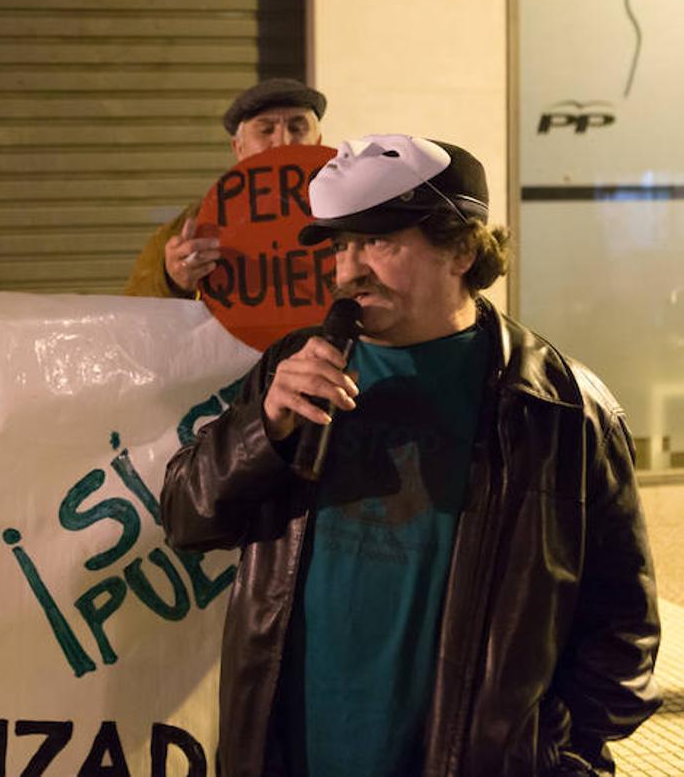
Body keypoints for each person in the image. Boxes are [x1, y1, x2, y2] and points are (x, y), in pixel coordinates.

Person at [161, 135, 659, 776]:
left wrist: (545, 752)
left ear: (461, 248)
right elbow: (186, 517)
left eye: (380, 242)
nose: (349, 271)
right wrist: (265, 429)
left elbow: (624, 631)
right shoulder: (294, 367)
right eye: (342, 245)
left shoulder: (560, 410)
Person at [123, 78, 325, 298]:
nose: (283, 142)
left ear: (318, 143)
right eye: (266, 130)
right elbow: (138, 309)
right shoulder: (198, 225)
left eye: (297, 128)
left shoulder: (351, 213)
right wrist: (172, 280)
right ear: (238, 148)